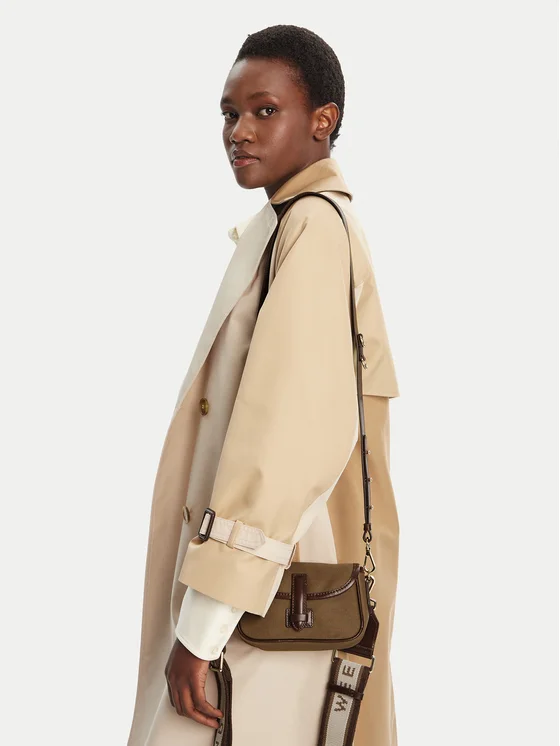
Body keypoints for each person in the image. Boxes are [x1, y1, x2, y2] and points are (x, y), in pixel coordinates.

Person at [127, 24, 401, 746]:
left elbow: (283, 441)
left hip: (267, 603)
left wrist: (202, 627)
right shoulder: (289, 225)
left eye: (265, 110)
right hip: (267, 585)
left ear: (323, 120)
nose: (238, 131)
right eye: (229, 113)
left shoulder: (313, 229)